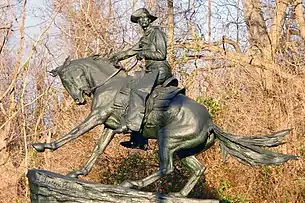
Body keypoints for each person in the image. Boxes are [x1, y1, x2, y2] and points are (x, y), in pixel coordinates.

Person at [109, 8, 173, 135]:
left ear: (149, 19)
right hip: (150, 71)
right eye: (139, 19)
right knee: (129, 85)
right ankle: (138, 138)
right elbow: (131, 51)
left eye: (144, 18)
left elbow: (161, 54)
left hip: (160, 69)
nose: (142, 20)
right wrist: (116, 56)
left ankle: (132, 125)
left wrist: (144, 53)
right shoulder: (144, 37)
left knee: (139, 90)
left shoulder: (156, 33)